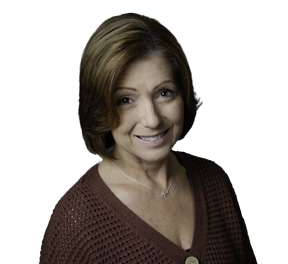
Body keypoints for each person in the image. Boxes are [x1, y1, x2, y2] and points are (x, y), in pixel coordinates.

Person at [40, 13, 257, 264]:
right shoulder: (77, 221)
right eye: (125, 100)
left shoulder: (215, 182)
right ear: (99, 109)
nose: (152, 119)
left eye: (164, 93)